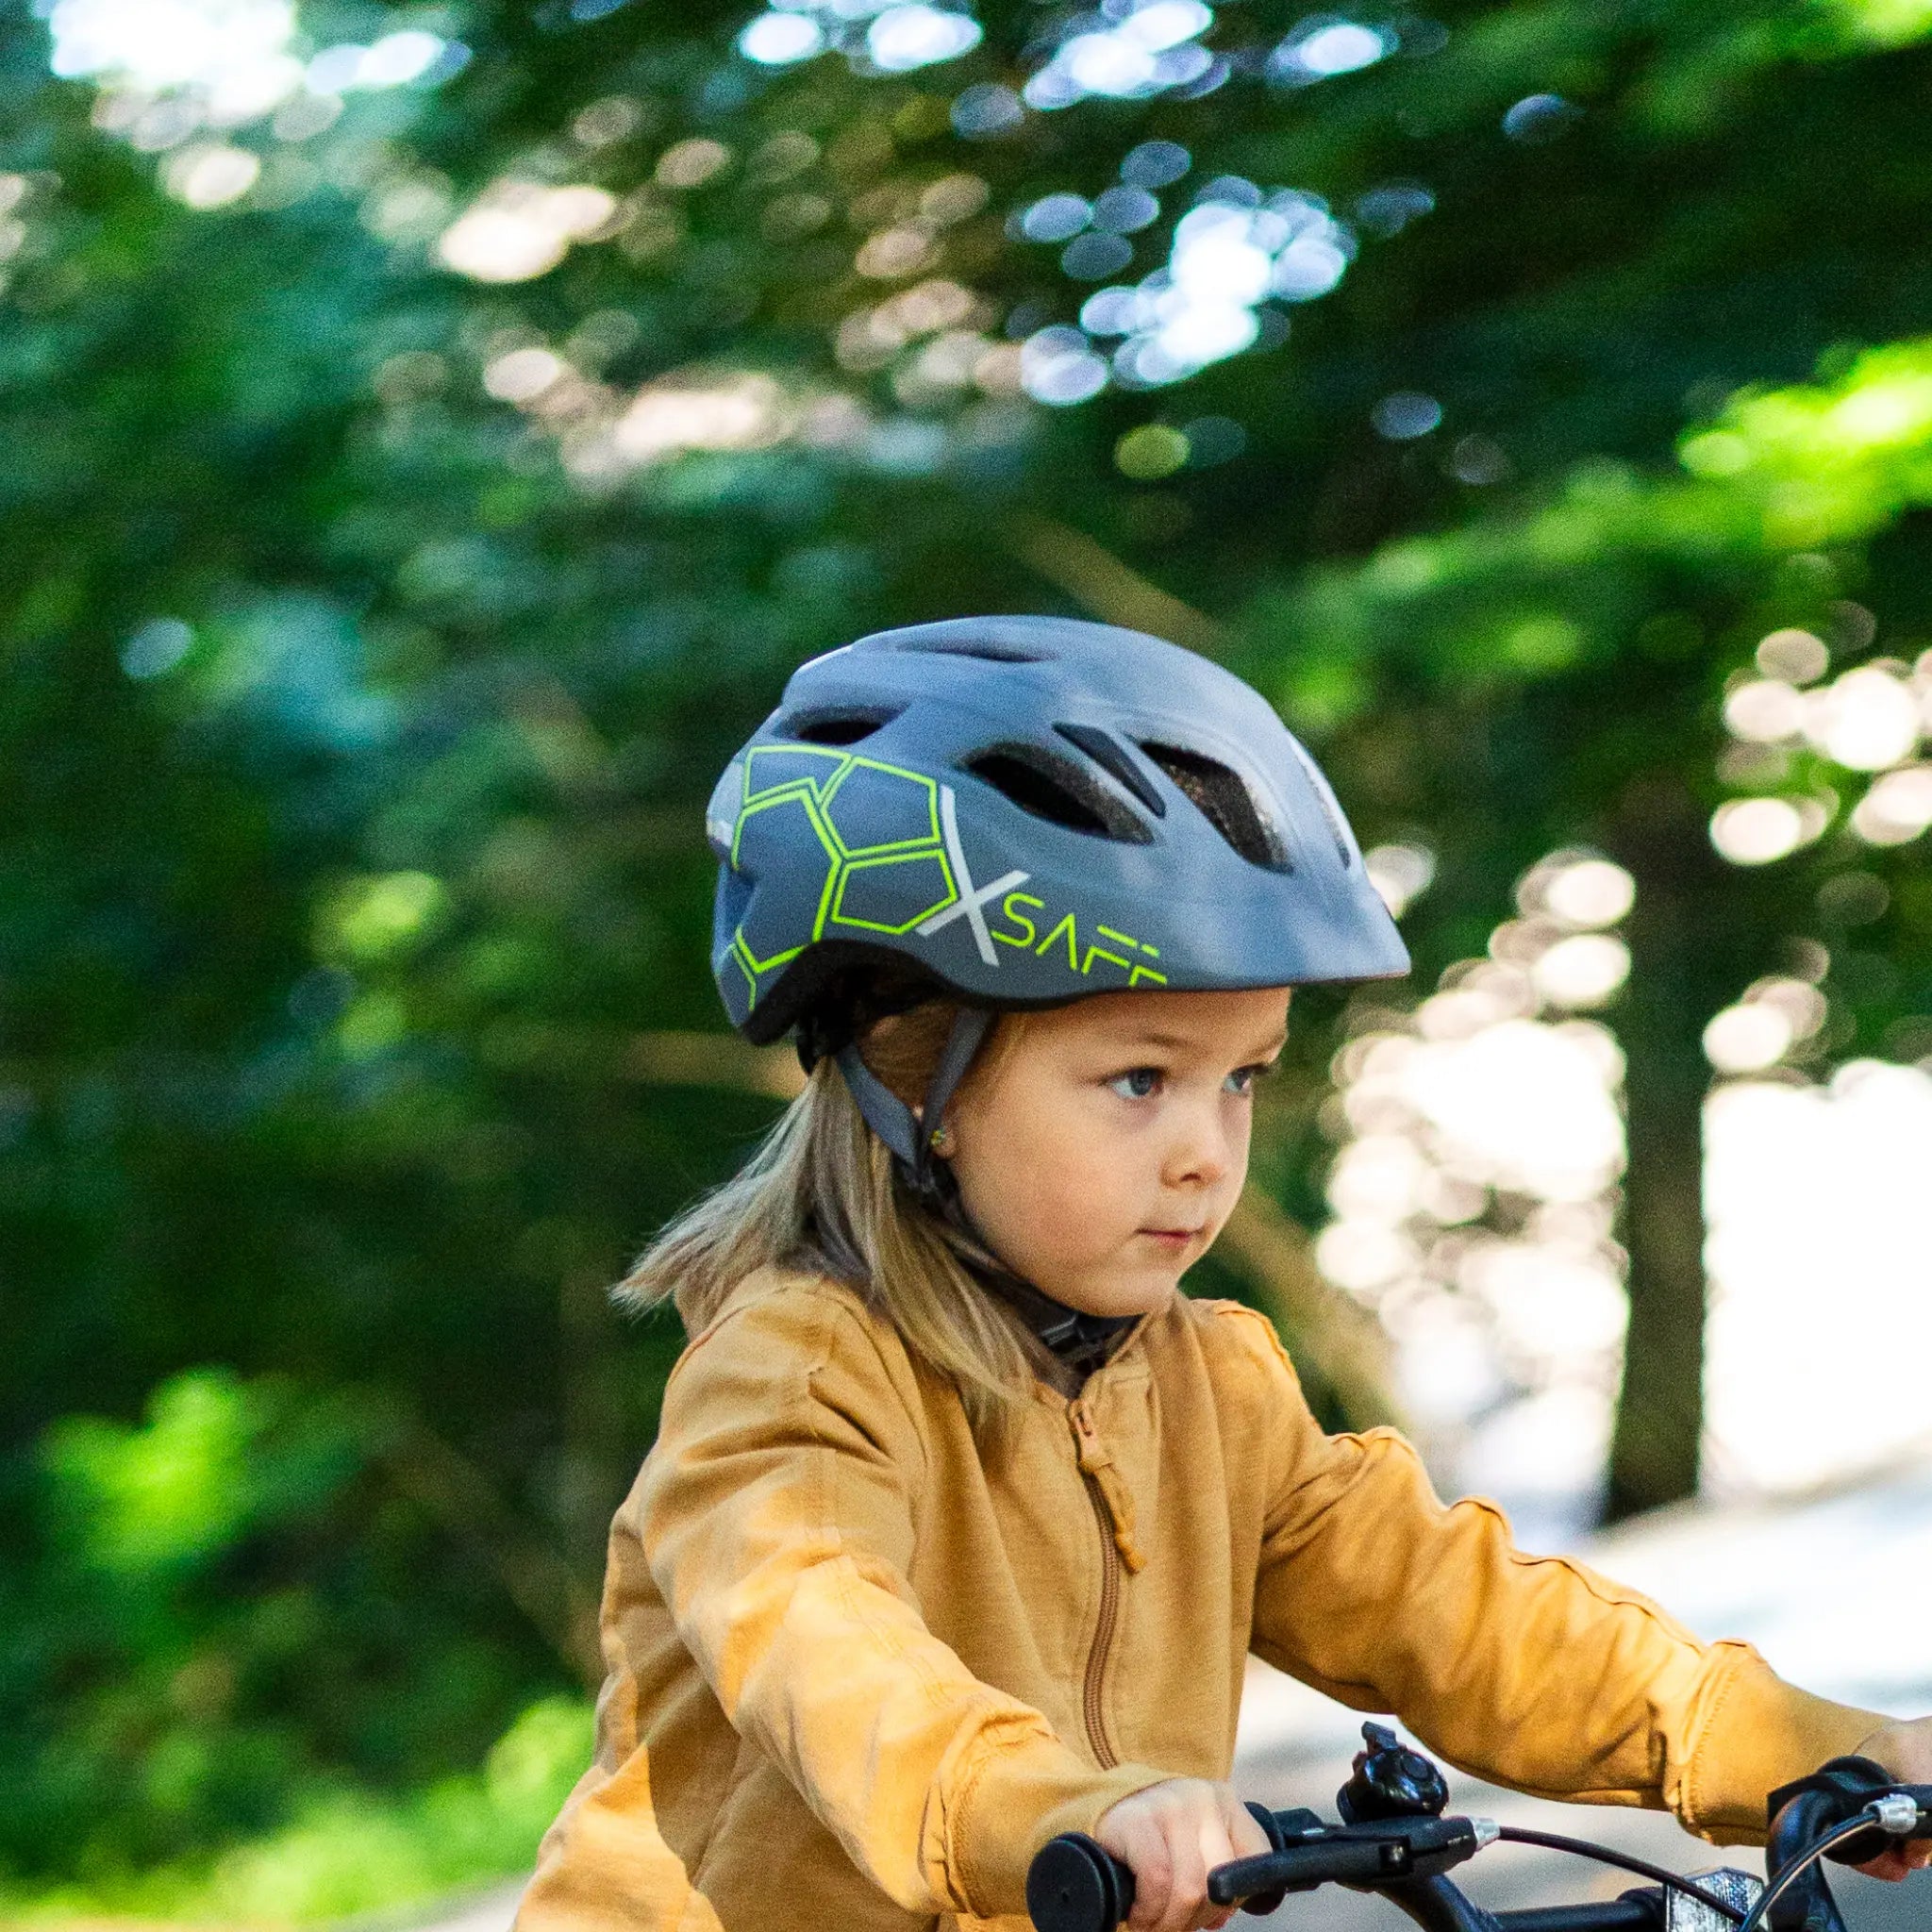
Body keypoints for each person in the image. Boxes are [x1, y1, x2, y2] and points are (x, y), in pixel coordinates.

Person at [515, 617, 1929, 1932]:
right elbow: (828, 1661)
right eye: (1139, 1079)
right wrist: (1079, 1809)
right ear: (915, 1079)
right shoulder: (795, 1374)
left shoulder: (1211, 1387)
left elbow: (1461, 1620)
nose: (1206, 1152)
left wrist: (1820, 1747)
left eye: (1242, 1079)